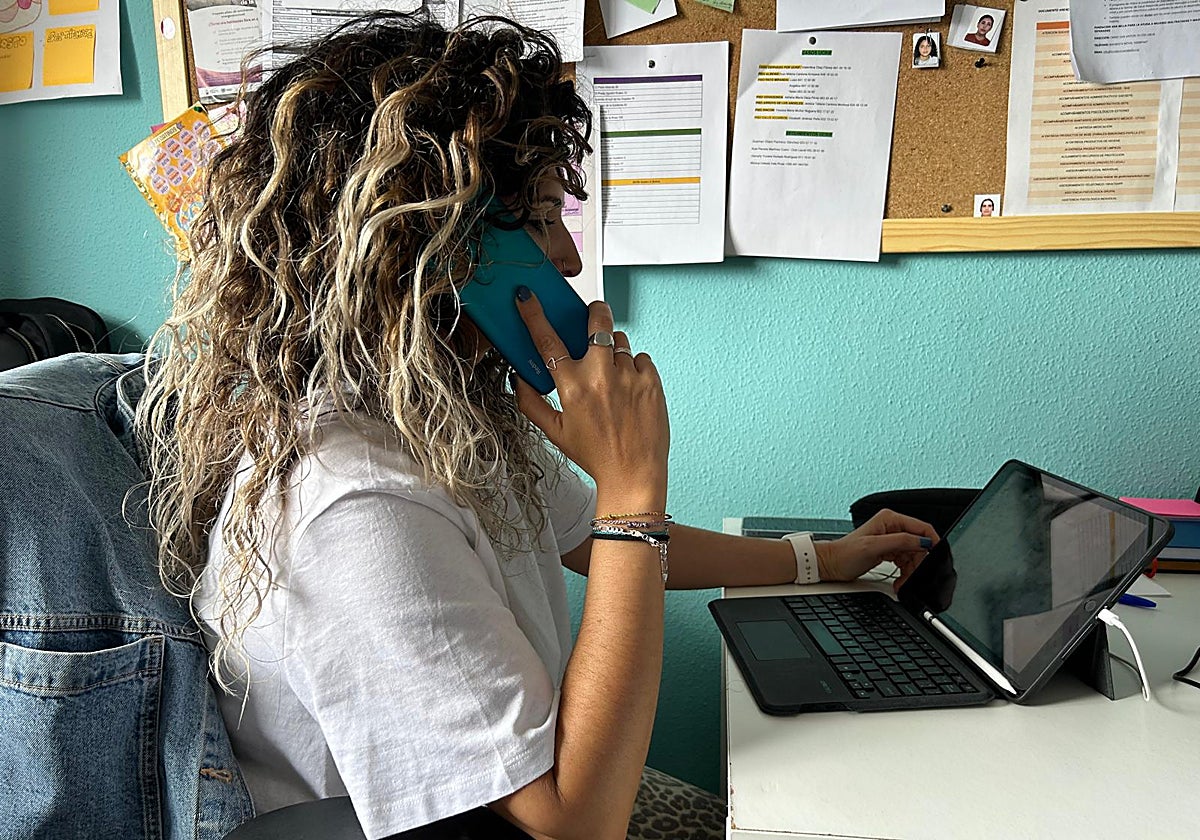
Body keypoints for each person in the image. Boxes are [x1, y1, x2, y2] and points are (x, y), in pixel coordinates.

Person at [137, 11, 938, 840]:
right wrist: (632, 486)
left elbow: (601, 540)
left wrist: (819, 561)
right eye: (543, 219)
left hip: (531, 792)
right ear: (434, 247)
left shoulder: (434, 414)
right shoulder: (358, 508)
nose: (571, 259)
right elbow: (573, 824)